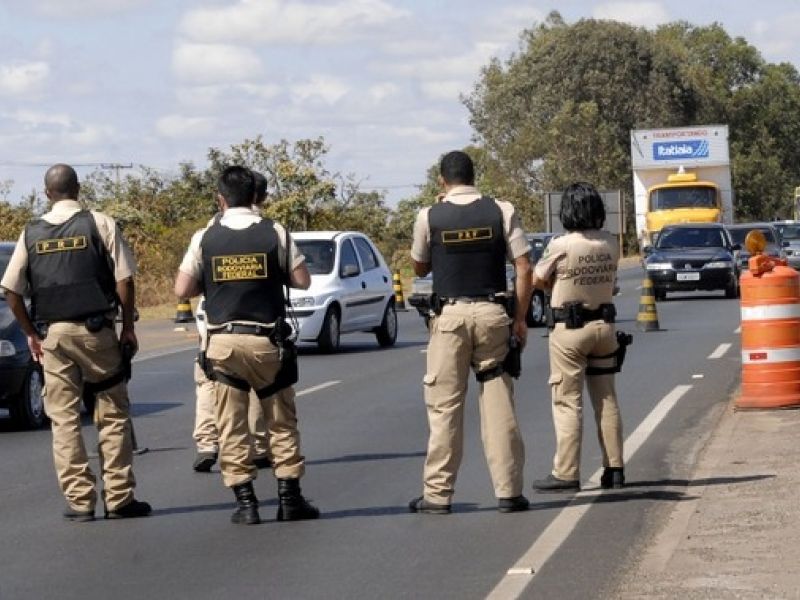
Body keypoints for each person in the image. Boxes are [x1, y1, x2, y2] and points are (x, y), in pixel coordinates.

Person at [0, 163, 151, 521]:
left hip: (54, 336)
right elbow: (125, 280)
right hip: (97, 333)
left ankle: (80, 501)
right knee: (111, 413)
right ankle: (119, 498)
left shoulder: (31, 232)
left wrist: (32, 334)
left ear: (46, 193)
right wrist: (128, 328)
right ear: (78, 189)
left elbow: (11, 290)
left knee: (64, 419)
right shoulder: (100, 223)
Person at [174, 165, 319, 525]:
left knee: (231, 425)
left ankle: (246, 504)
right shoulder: (275, 232)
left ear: (220, 199)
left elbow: (182, 289)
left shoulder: (205, 237)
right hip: (265, 341)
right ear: (255, 196)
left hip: (222, 343)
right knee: (281, 422)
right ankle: (290, 500)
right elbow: (302, 280)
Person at [408, 150, 532, 514]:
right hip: (493, 315)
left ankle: (437, 495)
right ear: (474, 177)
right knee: (498, 404)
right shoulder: (501, 210)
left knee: (445, 407)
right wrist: (520, 318)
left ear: (442, 181)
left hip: (449, 319)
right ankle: (509, 492)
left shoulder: (430, 215)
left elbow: (418, 267)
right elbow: (524, 267)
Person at [531, 182, 625, 493]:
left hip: (569, 331)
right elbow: (612, 283)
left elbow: (538, 278)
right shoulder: (611, 243)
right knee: (606, 398)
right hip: (604, 327)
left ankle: (566, 473)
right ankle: (614, 468)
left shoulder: (561, 245)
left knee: (567, 401)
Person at [192, 171, 272, 472]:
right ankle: (258, 446)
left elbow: (186, 284)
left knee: (207, 380)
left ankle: (207, 443)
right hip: (256, 323)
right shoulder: (268, 232)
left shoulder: (210, 230)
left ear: (222, 198)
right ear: (259, 197)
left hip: (214, 321)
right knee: (256, 384)